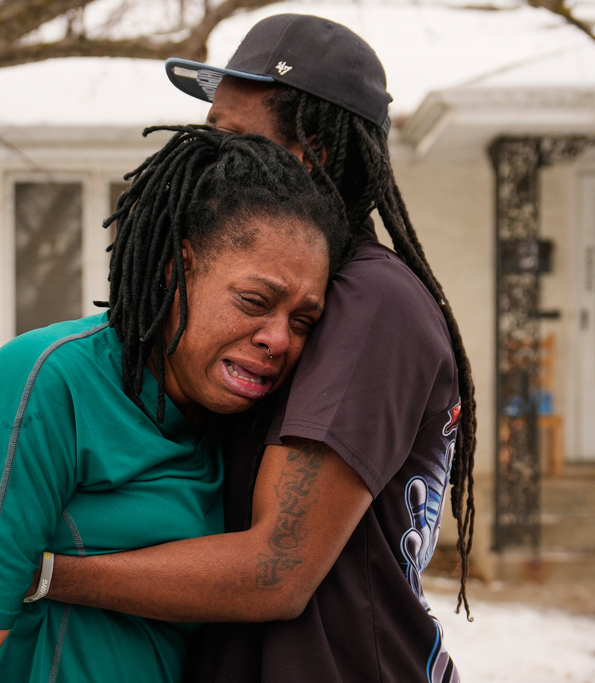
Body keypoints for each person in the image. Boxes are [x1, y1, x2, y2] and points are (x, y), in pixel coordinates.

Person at [34, 13, 479, 683]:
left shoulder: (372, 300)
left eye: (234, 137)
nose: (208, 156)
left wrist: (42, 574)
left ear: (314, 154)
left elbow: (277, 570)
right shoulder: (300, 284)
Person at [0, 126, 349, 683]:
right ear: (175, 269)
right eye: (255, 302)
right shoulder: (41, 388)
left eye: (302, 321)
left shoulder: (220, 424)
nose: (278, 339)